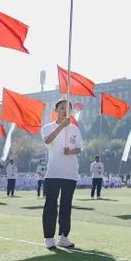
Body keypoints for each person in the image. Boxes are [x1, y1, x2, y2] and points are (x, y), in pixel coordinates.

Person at [41, 99, 82, 250]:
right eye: (62, 108)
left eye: (68, 108)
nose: (65, 111)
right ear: (56, 110)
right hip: (53, 172)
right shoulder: (47, 127)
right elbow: (47, 140)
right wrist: (61, 127)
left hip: (70, 173)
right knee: (51, 205)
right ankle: (49, 238)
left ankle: (64, 237)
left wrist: (71, 151)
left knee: (66, 205)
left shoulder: (75, 129)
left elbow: (79, 148)